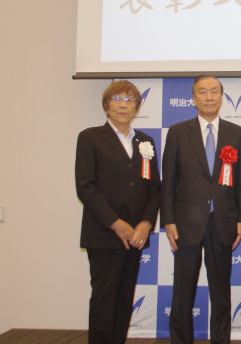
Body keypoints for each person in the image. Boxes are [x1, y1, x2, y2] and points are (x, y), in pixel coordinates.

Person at [161, 75, 241, 344]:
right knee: (182, 293)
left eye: (214, 92)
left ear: (222, 97)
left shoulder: (236, 133)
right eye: (203, 92)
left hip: (223, 222)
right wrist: (168, 220)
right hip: (186, 223)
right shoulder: (178, 132)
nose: (209, 97)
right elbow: (168, 181)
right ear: (193, 99)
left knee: (221, 292)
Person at [75, 80, 160, 344]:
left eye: (130, 99)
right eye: (117, 98)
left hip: (135, 235)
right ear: (106, 106)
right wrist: (116, 223)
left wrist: (146, 223)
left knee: (124, 296)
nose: (123, 104)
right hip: (104, 233)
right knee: (104, 297)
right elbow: (85, 187)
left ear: (137, 107)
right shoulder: (90, 137)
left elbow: (154, 188)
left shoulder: (145, 141)